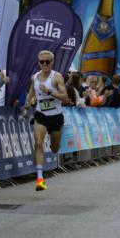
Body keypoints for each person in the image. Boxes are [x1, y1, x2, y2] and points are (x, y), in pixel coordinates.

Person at [25, 50, 72, 191]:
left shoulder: (56, 77)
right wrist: (27, 102)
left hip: (56, 116)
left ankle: (54, 144)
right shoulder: (35, 77)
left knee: (54, 148)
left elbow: (65, 97)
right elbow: (31, 92)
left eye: (47, 61)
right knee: (38, 143)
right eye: (42, 62)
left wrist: (49, 92)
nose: (44, 64)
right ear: (38, 62)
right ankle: (40, 179)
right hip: (41, 115)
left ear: (52, 62)